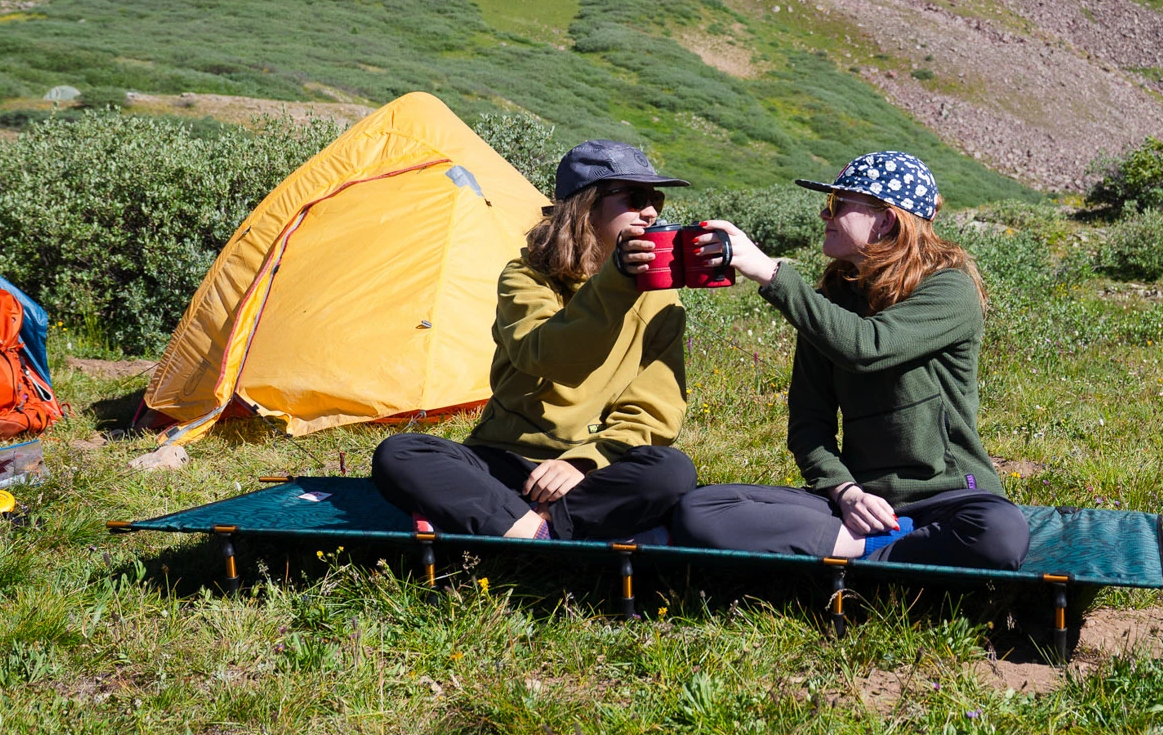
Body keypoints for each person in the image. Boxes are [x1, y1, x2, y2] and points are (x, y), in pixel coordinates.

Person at [672, 151, 1029, 570]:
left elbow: (867, 347)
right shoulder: (831, 306)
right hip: (860, 505)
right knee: (701, 509)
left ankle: (862, 551)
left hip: (952, 496)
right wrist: (846, 492)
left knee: (998, 533)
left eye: (838, 205)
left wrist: (770, 272)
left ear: (886, 221)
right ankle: (881, 549)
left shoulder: (949, 290)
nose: (825, 216)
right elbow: (809, 422)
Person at [371, 140, 698, 540]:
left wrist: (584, 462)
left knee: (672, 471)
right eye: (634, 197)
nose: (650, 210)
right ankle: (549, 529)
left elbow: (652, 411)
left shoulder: (660, 294)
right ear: (586, 207)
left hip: (590, 471)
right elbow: (548, 357)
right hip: (505, 458)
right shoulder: (525, 277)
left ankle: (524, 527)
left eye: (655, 198)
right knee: (400, 454)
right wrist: (618, 283)